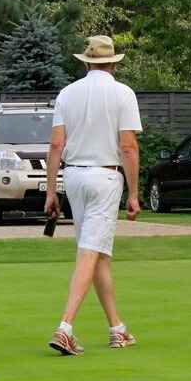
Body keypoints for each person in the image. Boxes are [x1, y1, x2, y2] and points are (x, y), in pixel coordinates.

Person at [44, 35, 143, 355]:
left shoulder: (67, 93)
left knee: (97, 252)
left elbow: (56, 145)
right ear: (113, 63)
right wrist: (134, 193)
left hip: (74, 177)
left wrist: (51, 190)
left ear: (86, 62)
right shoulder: (123, 93)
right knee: (90, 252)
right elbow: (128, 146)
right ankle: (65, 328)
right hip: (105, 178)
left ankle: (117, 328)